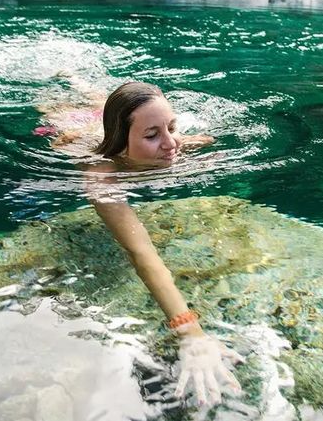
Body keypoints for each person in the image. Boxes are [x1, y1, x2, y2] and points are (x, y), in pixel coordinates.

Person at [54, 81, 244, 406]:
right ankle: (66, 81)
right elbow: (140, 251)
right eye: (152, 135)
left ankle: (77, 80)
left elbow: (179, 143)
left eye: (172, 127)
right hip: (72, 126)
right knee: (67, 108)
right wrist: (191, 333)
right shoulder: (101, 175)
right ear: (121, 145)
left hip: (106, 120)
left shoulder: (174, 144)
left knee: (95, 96)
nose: (171, 144)